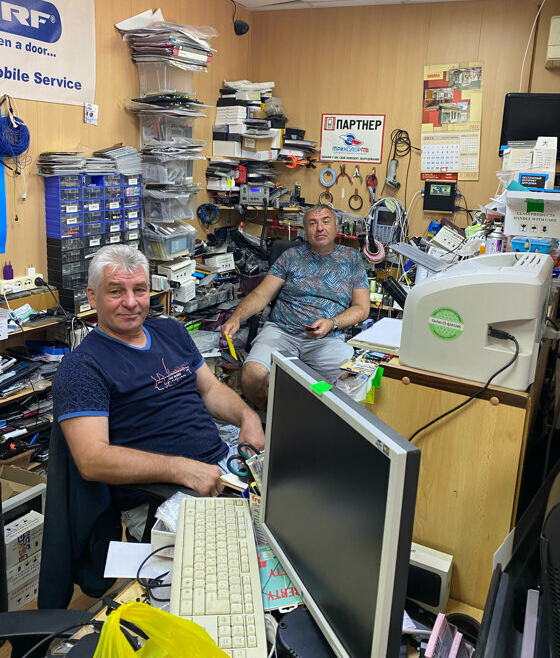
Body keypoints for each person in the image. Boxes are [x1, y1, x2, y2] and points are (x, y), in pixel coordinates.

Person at [52, 244, 265, 504]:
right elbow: (92, 460)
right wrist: (181, 470)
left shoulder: (171, 330)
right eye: (116, 291)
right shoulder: (82, 367)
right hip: (164, 496)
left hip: (223, 467)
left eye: (139, 290)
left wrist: (248, 417)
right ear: (93, 296)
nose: (131, 302)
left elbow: (210, 389)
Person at [221, 204, 370, 410]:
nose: (320, 228)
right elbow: (262, 294)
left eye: (325, 221)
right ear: (305, 230)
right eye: (312, 223)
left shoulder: (352, 259)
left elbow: (362, 308)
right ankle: (278, 418)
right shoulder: (291, 256)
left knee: (357, 382)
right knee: (252, 376)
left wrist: (332, 323)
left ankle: (318, 420)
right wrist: (236, 317)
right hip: (282, 332)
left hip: (328, 338)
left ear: (336, 228)